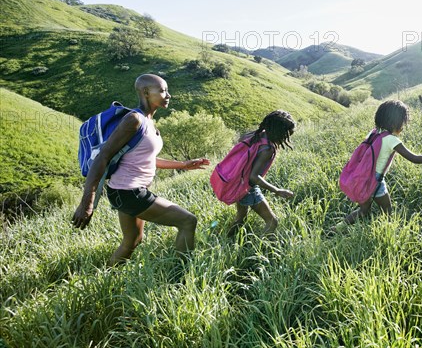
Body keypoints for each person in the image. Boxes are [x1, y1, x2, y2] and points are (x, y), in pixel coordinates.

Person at [72, 74, 210, 266]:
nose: (168, 95)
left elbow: (148, 159)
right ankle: (182, 276)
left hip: (124, 192)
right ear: (146, 92)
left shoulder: (148, 122)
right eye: (162, 91)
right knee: (188, 221)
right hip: (129, 192)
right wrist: (87, 203)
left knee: (133, 240)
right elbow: (103, 157)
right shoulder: (134, 119)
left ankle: (109, 280)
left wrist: (184, 165)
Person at [343, 99, 422, 225]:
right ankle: (387, 232)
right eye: (402, 123)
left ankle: (336, 229)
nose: (403, 127)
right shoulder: (391, 140)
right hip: (375, 180)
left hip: (362, 177)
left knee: (363, 210)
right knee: (387, 210)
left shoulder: (374, 132)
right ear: (395, 123)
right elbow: (414, 158)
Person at [226, 110, 296, 238]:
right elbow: (254, 177)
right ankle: (258, 251)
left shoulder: (253, 135)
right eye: (286, 135)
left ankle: (229, 240)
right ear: (278, 132)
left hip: (238, 183)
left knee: (240, 219)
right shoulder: (267, 149)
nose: (286, 138)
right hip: (249, 188)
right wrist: (276, 190)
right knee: (272, 222)